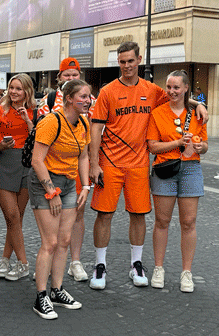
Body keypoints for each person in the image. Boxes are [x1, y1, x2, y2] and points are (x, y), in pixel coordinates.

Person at [88, 41, 206, 290]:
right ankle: (100, 266)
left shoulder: (152, 90)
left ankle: (137, 263)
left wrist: (199, 104)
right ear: (118, 62)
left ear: (139, 59)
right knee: (104, 214)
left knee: (138, 214)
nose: (127, 66)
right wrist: (94, 163)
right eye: (122, 61)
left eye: (131, 61)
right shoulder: (108, 91)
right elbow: (96, 128)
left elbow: (178, 98)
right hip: (110, 162)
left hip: (139, 163)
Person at [29, 79, 91, 318]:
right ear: (68, 99)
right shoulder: (51, 122)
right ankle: (41, 295)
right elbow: (37, 160)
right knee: (50, 242)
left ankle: (57, 289)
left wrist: (85, 185)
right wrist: (50, 191)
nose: (87, 101)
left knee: (64, 240)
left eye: (88, 97)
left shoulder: (83, 122)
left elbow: (83, 156)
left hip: (68, 184)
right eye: (83, 97)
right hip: (45, 182)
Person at [147, 70, 208, 292]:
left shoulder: (197, 114)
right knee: (162, 221)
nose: (172, 91)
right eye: (169, 87)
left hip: (191, 168)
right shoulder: (157, 113)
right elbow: (152, 146)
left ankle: (186, 272)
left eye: (176, 87)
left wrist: (202, 147)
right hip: (165, 168)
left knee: (189, 222)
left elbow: (205, 143)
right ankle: (159, 268)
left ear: (185, 89)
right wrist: (177, 143)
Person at [37, 56, 96, 282]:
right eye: (66, 75)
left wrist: (91, 167)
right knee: (51, 222)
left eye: (74, 74)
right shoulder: (48, 101)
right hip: (51, 169)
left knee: (77, 215)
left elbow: (93, 135)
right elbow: (40, 137)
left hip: (76, 169)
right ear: (59, 78)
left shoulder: (90, 99)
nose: (70, 77)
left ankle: (76, 261)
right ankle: (47, 264)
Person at [0, 73, 36, 281]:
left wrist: (27, 119)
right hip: (4, 161)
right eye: (12, 88)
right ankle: (23, 263)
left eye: (19, 88)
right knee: (12, 216)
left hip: (26, 163)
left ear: (27, 91)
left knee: (16, 217)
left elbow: (38, 138)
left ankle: (5, 260)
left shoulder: (35, 112)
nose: (14, 92)